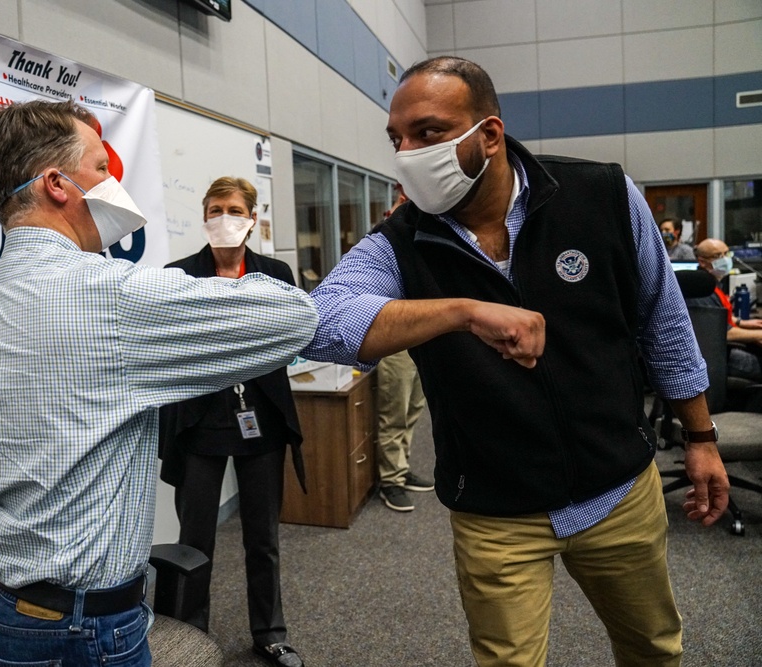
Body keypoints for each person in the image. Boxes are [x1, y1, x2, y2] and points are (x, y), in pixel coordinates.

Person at [300, 56, 729, 667]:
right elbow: (323, 325)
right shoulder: (400, 241)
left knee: (654, 647)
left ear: (490, 135)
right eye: (397, 139)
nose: (407, 153)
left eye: (428, 133)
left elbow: (664, 321)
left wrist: (701, 435)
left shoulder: (602, 194)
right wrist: (460, 311)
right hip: (495, 509)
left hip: (617, 488)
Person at [0, 100, 318, 667]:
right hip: (86, 630)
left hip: (4, 613)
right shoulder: (108, 294)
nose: (112, 183)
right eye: (100, 169)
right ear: (58, 185)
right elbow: (295, 318)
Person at [158, 177, 306, 667]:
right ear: (204, 217)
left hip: (259, 419)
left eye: (235, 209)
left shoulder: (275, 274)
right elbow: (175, 349)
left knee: (262, 536)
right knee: (194, 540)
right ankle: (188, 633)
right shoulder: (177, 276)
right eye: (216, 208)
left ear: (252, 218)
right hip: (199, 423)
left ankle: (270, 631)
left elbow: (290, 338)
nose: (226, 217)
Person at [375, 186, 433, 513]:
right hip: (396, 337)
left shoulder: (428, 226)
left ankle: (403, 465)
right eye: (402, 192)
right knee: (394, 411)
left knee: (413, 408)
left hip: (422, 335)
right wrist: (398, 215)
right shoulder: (388, 230)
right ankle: (391, 480)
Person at [691, 238, 762, 381]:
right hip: (722, 355)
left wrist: (741, 322)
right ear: (702, 261)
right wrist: (758, 334)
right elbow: (723, 333)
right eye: (718, 256)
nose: (724, 259)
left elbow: (716, 314)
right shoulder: (703, 290)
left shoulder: (713, 283)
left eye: (726, 254)